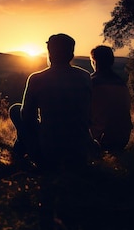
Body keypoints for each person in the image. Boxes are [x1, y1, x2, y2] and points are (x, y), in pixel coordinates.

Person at [9, 33, 93, 170]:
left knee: (15, 110)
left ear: (50, 54)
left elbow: (27, 116)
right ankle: (19, 151)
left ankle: (19, 152)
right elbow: (88, 115)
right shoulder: (85, 77)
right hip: (80, 152)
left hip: (49, 155)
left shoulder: (37, 79)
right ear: (71, 54)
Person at [89, 45, 132, 154]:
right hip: (123, 138)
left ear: (94, 62)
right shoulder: (121, 83)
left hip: (100, 140)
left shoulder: (91, 83)